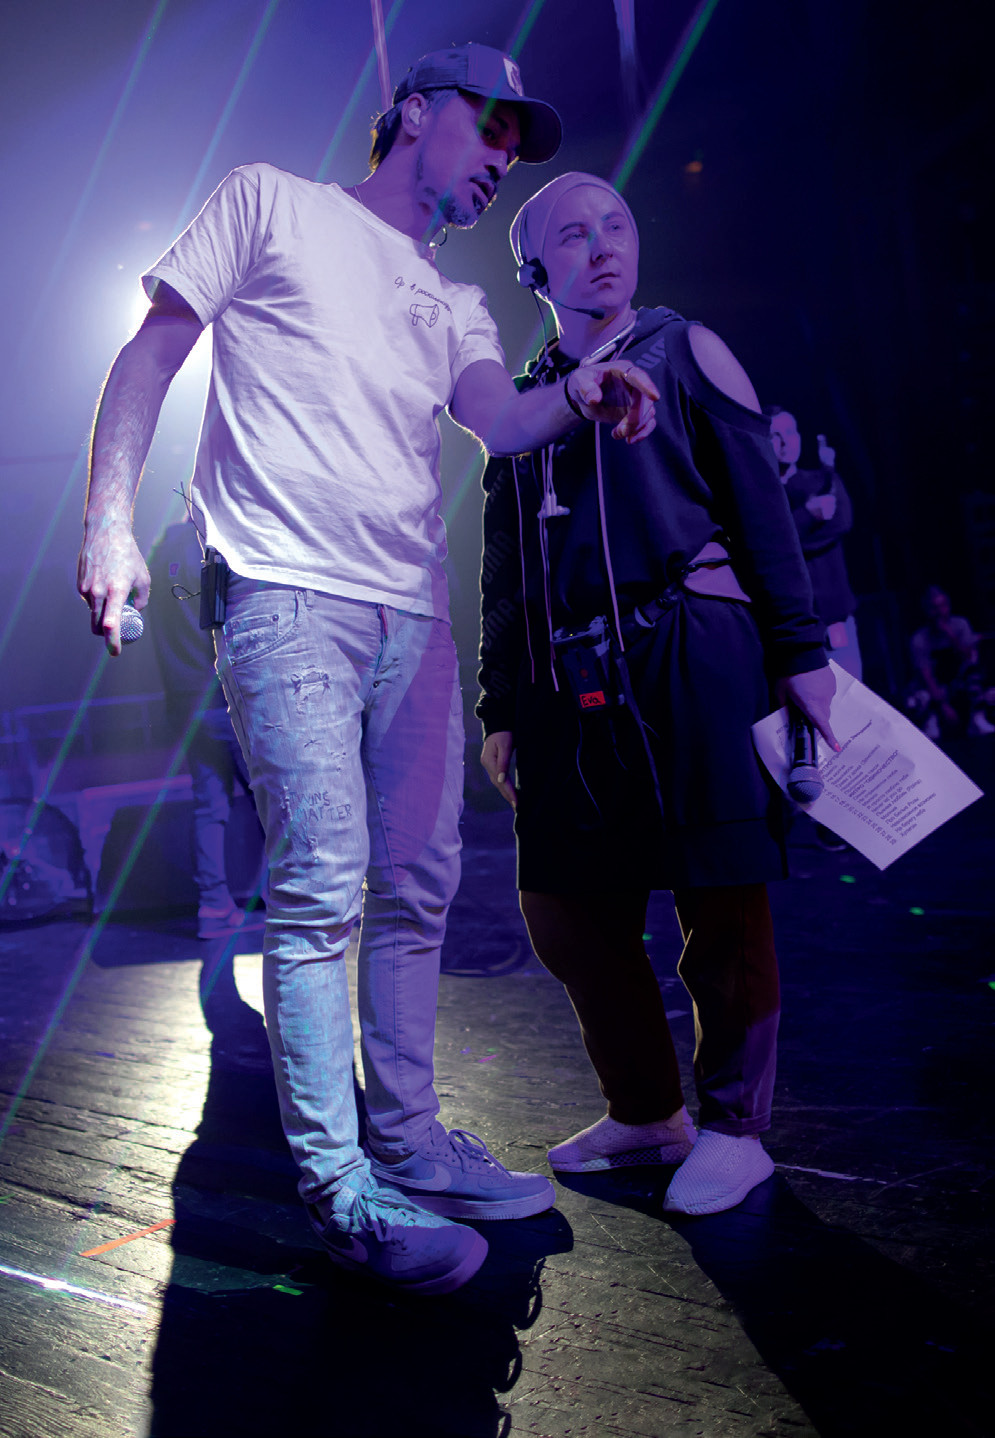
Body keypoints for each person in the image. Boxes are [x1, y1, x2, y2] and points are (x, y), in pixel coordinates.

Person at [77, 45, 659, 1297]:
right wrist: (109, 521)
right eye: (490, 126)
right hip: (283, 597)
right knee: (321, 886)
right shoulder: (270, 202)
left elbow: (500, 419)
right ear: (412, 112)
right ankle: (343, 1192)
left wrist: (583, 389)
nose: (502, 159)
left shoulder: (455, 299)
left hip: (413, 619)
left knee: (418, 888)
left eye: (516, 145)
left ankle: (406, 1142)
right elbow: (152, 352)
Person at [477, 173, 836, 1217]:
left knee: (720, 902)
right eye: (572, 235)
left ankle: (734, 1129)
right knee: (562, 908)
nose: (602, 247)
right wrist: (502, 705)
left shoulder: (686, 351)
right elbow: (503, 565)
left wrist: (800, 650)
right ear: (532, 269)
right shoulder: (523, 398)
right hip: (567, 679)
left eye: (617, 226)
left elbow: (762, 510)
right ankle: (646, 1111)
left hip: (691, 649)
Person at [149, 516, 263, 941]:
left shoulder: (160, 552)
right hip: (223, 694)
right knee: (271, 800)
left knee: (209, 806)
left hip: (184, 700)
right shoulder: (212, 542)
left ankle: (214, 906)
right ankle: (297, 903)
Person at [767, 408, 863, 681]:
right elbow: (769, 544)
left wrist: (791, 538)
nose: (785, 442)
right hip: (791, 628)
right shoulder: (764, 493)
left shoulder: (820, 480)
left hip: (835, 621)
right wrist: (808, 515)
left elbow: (842, 521)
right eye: (775, 435)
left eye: (790, 432)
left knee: (850, 700)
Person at [907, 585, 995, 738]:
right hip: (937, 686)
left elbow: (969, 657)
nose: (940, 612)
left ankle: (977, 719)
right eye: (934, 608)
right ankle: (930, 722)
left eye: (943, 606)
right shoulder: (919, 639)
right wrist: (944, 706)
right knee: (915, 697)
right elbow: (927, 676)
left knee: (975, 673)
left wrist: (951, 636)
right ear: (927, 611)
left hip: (957, 681)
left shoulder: (961, 625)